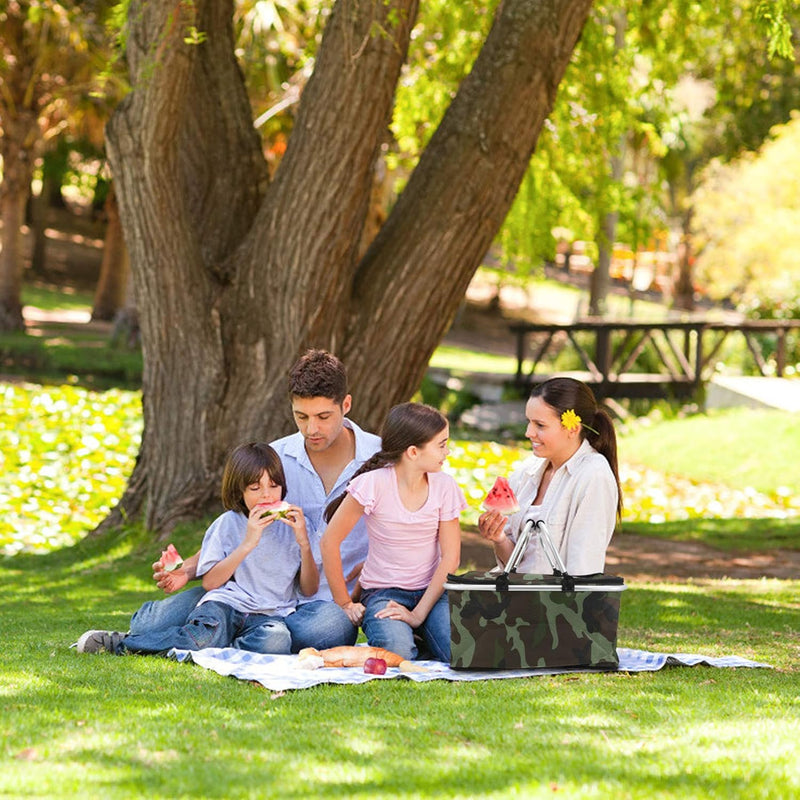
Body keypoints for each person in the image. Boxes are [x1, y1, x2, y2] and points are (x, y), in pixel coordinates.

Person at [79, 350, 381, 653]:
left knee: (330, 630)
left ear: (346, 405)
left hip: (321, 603)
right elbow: (235, 526)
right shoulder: (274, 460)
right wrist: (186, 569)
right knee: (149, 625)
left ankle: (221, 636)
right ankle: (220, 634)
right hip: (247, 590)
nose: (311, 429)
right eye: (301, 417)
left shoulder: (380, 461)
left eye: (323, 417)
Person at [77, 443, 317, 655]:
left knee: (276, 642)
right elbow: (210, 583)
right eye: (255, 488)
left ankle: (216, 649)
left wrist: (304, 544)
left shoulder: (295, 527)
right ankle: (121, 643)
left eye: (274, 486)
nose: (266, 494)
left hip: (269, 615)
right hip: (226, 605)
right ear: (239, 492)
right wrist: (248, 543)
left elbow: (309, 589)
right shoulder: (228, 523)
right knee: (203, 637)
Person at [320, 402, 466, 662]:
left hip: (433, 591)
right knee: (397, 653)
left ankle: (420, 630)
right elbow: (329, 542)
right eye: (441, 445)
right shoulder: (372, 484)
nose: (448, 451)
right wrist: (345, 603)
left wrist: (418, 615)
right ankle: (409, 637)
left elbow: (451, 558)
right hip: (383, 593)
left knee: (459, 653)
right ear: (413, 452)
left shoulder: (445, 486)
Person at [478, 376, 622, 575]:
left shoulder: (593, 475)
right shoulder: (526, 470)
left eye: (540, 425)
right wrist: (499, 538)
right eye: (529, 422)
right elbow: (515, 566)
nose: (529, 432)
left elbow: (584, 565)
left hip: (557, 603)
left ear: (572, 428)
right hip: (518, 595)